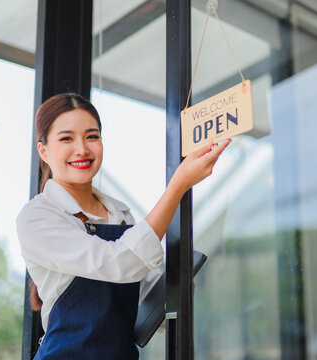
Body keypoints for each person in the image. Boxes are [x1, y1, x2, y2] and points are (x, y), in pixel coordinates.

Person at [16, 93, 230, 359]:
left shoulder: (119, 211)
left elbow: (142, 287)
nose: (82, 148)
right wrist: (178, 186)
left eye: (92, 136)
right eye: (67, 138)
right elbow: (118, 262)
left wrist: (172, 291)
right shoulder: (38, 217)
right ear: (44, 151)